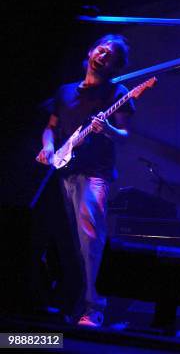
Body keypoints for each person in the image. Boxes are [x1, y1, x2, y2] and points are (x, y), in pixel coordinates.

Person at [36, 34, 135, 327]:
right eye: (102, 48)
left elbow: (126, 136)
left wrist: (106, 129)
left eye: (111, 54)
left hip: (95, 175)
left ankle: (95, 310)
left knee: (90, 239)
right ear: (91, 51)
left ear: (115, 64)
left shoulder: (118, 93)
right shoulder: (65, 92)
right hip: (61, 174)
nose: (104, 54)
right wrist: (48, 147)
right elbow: (50, 128)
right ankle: (67, 302)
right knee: (66, 243)